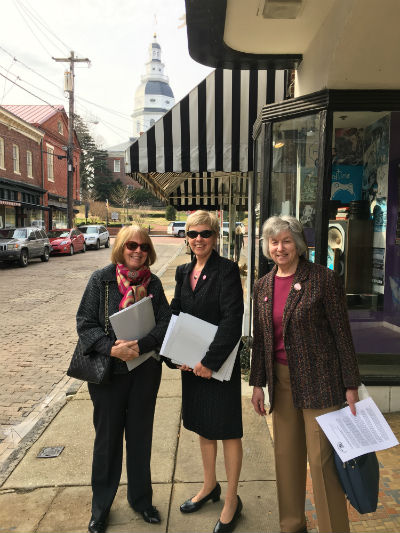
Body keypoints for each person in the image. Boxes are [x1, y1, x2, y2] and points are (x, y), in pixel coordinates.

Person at [250, 215, 361, 533]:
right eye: (274, 242)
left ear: (298, 245)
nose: (280, 247)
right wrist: (258, 384)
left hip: (321, 384)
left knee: (323, 462)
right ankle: (292, 525)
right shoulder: (263, 285)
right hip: (281, 383)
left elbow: (342, 335)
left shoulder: (323, 279)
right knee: (286, 459)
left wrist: (350, 385)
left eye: (286, 241)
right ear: (267, 246)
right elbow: (262, 340)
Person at [75, 225, 171, 533]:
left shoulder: (153, 283)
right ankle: (101, 506)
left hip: (144, 374)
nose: (137, 250)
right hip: (108, 377)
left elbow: (165, 323)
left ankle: (141, 500)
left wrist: (141, 346)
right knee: (107, 442)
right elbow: (85, 324)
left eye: (143, 246)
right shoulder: (100, 281)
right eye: (131, 245)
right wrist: (112, 348)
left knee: (141, 439)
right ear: (121, 247)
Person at [170, 211, 244, 533]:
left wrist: (209, 362)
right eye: (192, 233)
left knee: (227, 430)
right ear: (186, 237)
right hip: (191, 364)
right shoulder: (182, 271)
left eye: (205, 233)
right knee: (203, 425)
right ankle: (209, 485)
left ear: (215, 237)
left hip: (218, 365)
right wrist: (175, 357)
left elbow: (232, 320)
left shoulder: (226, 270)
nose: (198, 239)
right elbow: (176, 313)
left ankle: (231, 499)